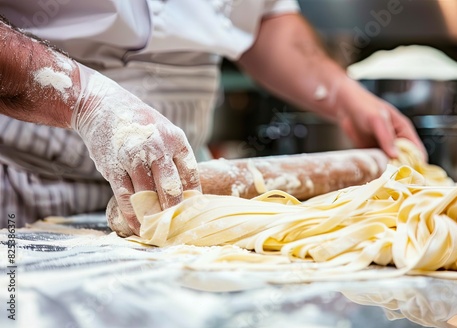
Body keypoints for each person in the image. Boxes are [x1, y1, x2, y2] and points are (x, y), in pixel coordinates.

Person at [0, 0, 425, 234]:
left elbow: (264, 18)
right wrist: (87, 101)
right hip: (25, 182)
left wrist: (341, 93)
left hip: (185, 187)